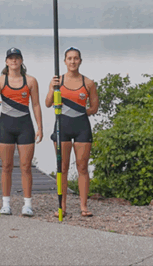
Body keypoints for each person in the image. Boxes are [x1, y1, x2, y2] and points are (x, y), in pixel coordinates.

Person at [45, 46, 99, 217]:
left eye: (76, 58)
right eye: (69, 58)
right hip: (62, 126)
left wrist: (80, 112)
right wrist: (52, 89)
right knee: (63, 167)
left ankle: (84, 206)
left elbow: (94, 107)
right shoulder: (57, 81)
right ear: (65, 61)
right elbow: (47, 103)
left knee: (82, 167)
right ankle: (62, 206)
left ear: (80, 61)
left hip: (81, 126)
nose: (73, 61)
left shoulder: (88, 83)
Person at [0, 48, 43, 217]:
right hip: (5, 125)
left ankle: (27, 204)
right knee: (6, 166)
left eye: (17, 58)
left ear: (21, 61)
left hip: (25, 126)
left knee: (26, 167)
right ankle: (6, 203)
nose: (13, 61)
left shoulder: (31, 81)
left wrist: (40, 127)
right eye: (10, 58)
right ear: (6, 62)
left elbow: (35, 105)